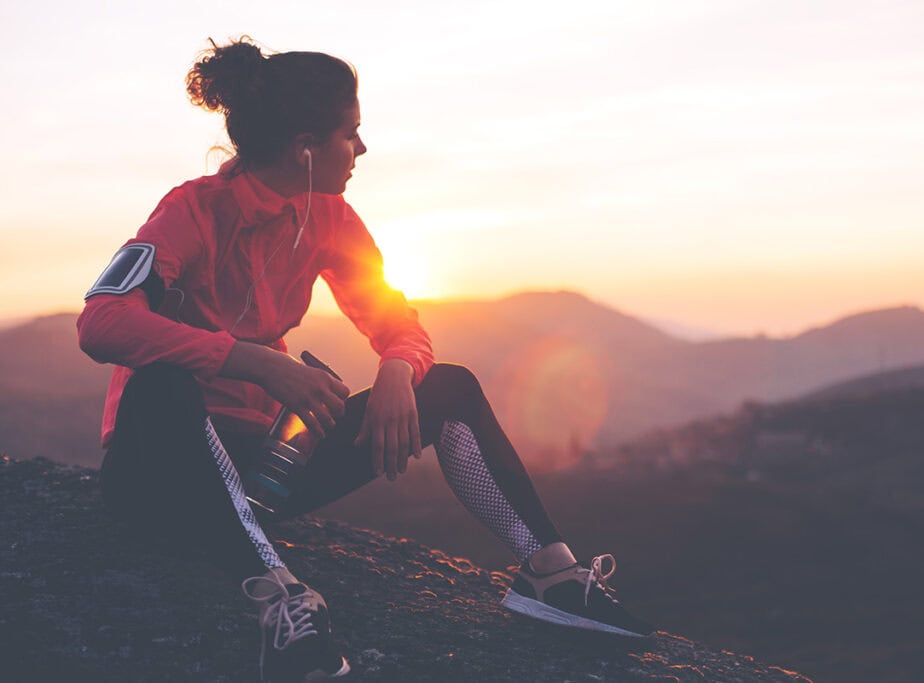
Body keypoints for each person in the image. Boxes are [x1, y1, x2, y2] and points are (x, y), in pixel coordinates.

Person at [77, 37, 652, 682]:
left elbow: (396, 321)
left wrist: (399, 370)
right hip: (161, 477)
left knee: (452, 388)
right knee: (165, 382)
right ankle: (280, 600)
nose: (362, 149)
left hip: (263, 472)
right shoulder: (192, 210)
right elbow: (101, 322)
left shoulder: (329, 217)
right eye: (351, 134)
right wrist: (254, 363)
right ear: (306, 146)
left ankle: (551, 576)